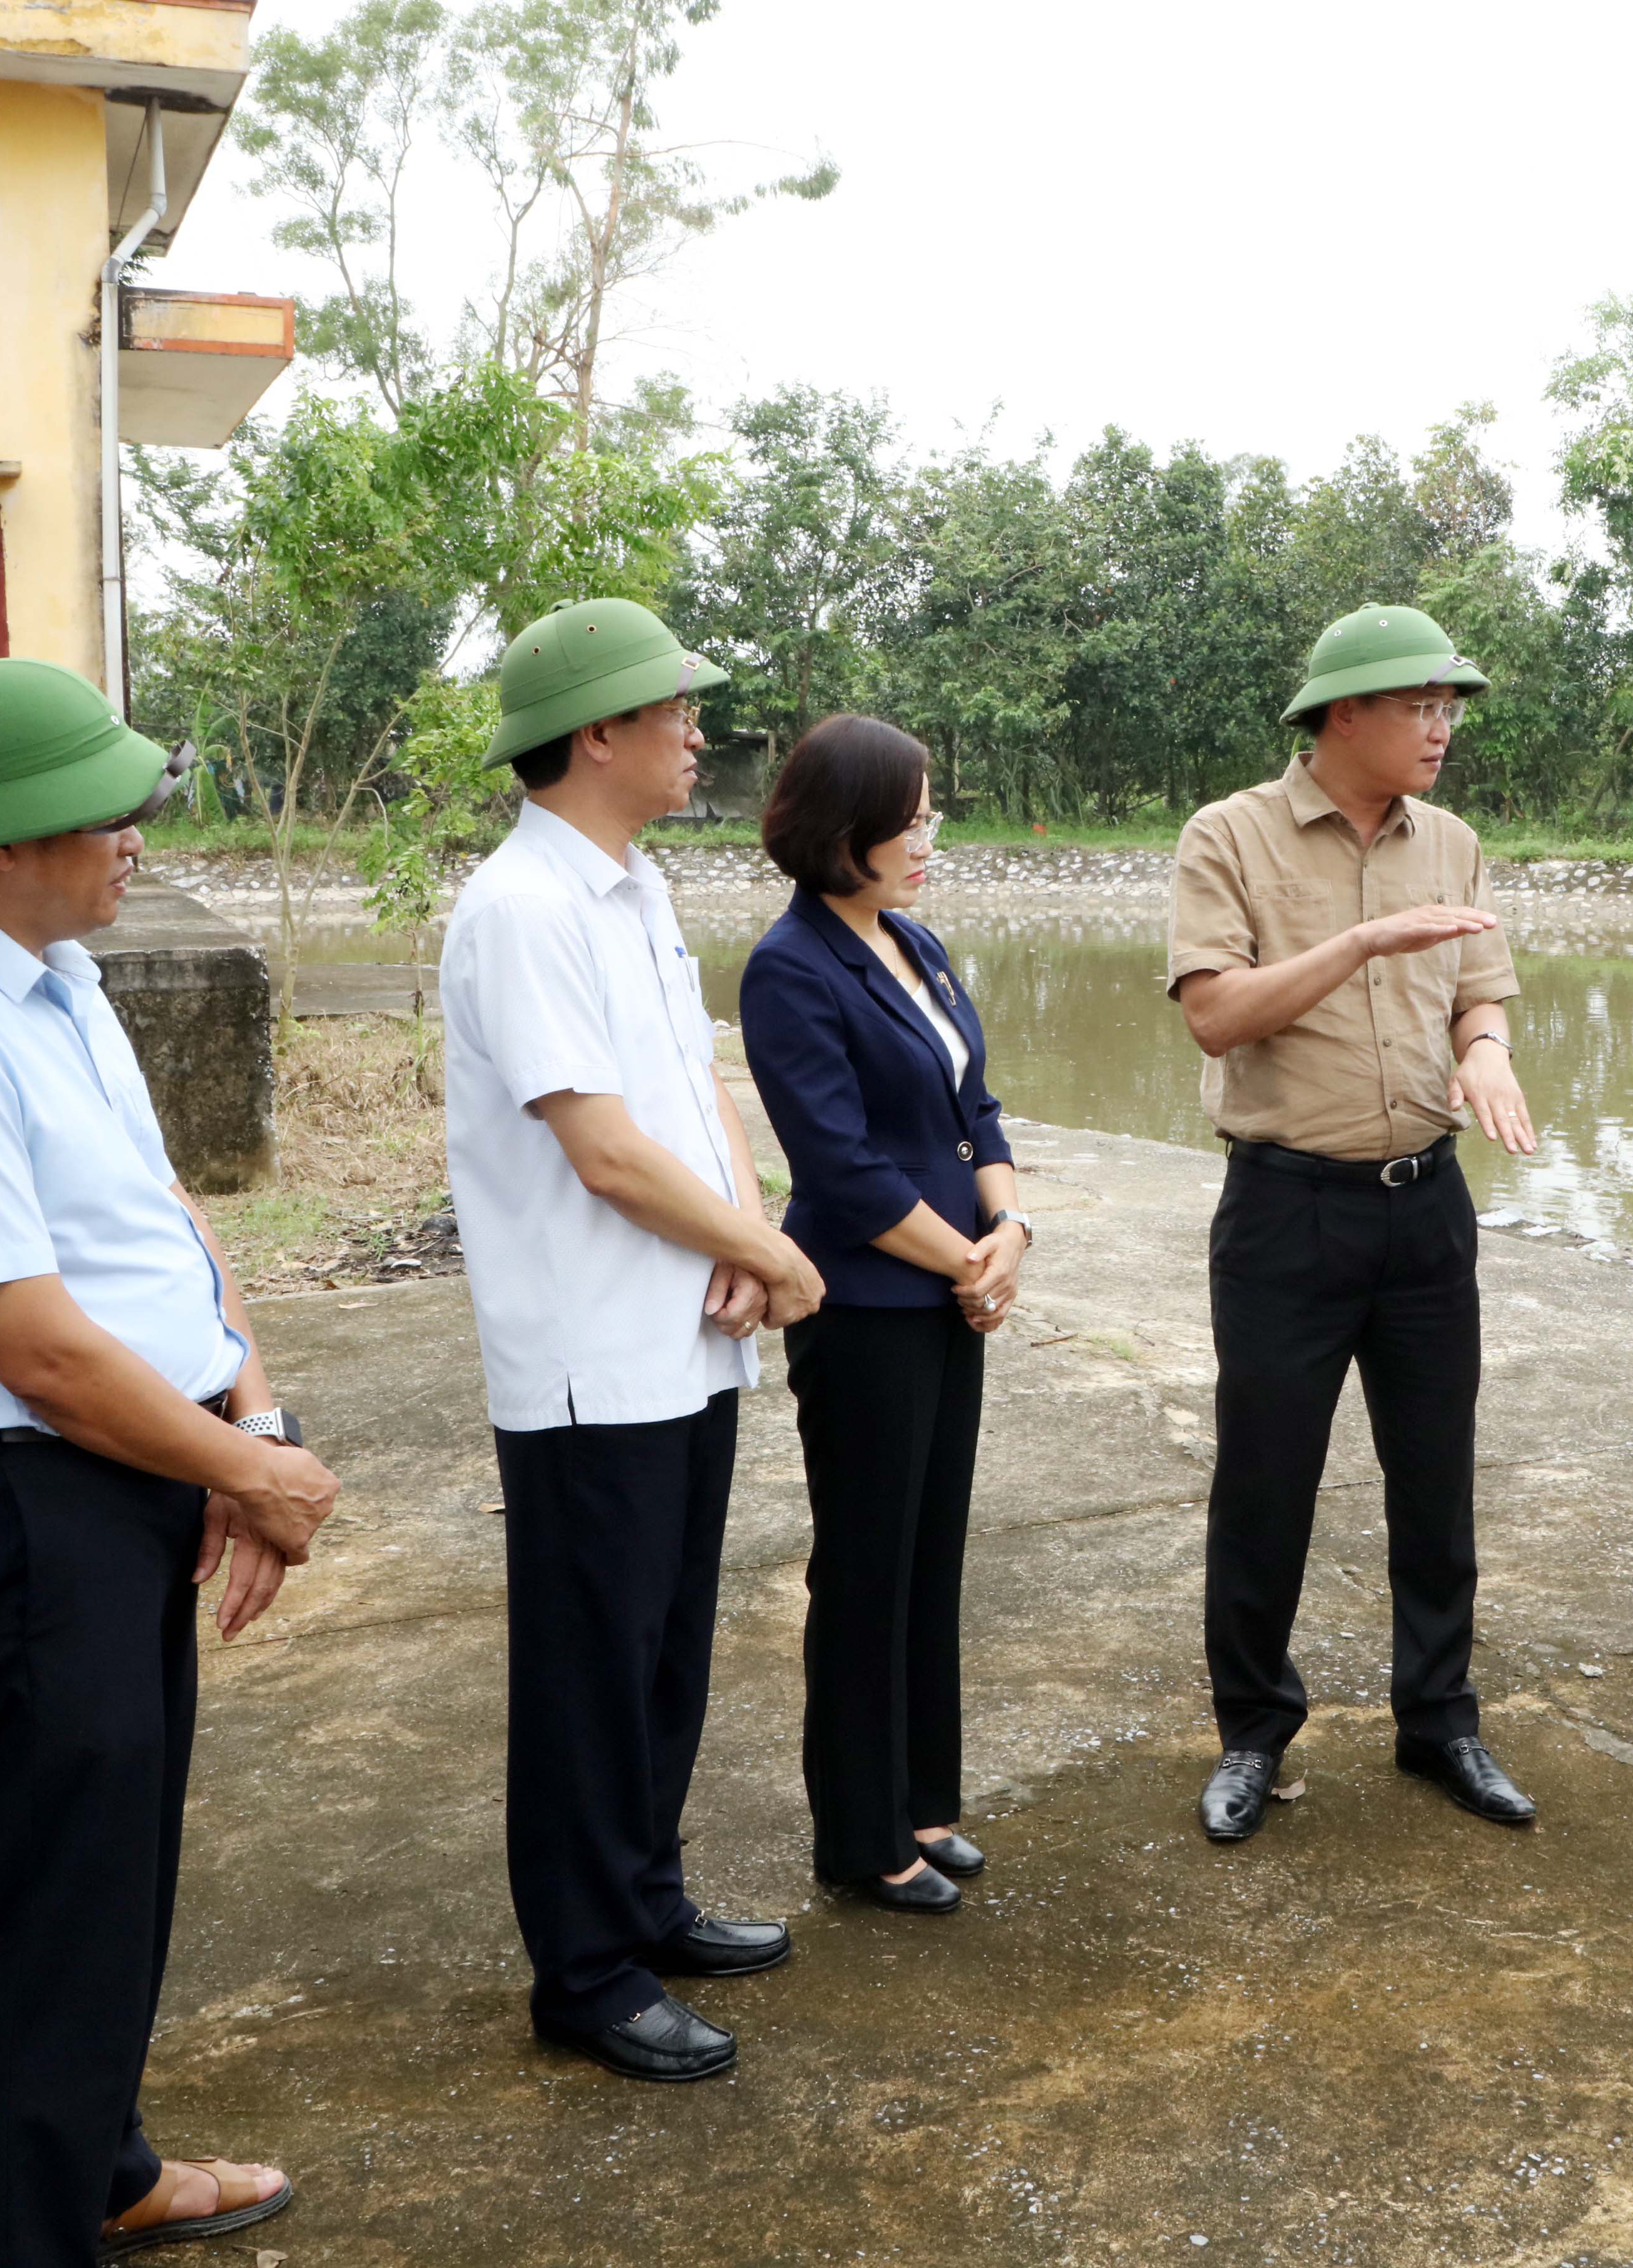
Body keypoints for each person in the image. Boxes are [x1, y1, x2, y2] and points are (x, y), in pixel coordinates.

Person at [0, 654, 338, 2265]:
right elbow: (33, 1346)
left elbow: (155, 1227)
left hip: (129, 1469)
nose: (140, 835)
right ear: (3, 836)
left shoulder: (52, 973)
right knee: (47, 1914)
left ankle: (107, 2166)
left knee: (115, 1879)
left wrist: (252, 1416)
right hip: (25, 1506)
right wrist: (248, 1476)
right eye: (114, 808)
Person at [440, 598, 826, 2083]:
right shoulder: (523, 908)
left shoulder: (632, 887)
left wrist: (742, 1228)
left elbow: (691, 1090)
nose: (697, 732)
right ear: (595, 732)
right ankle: (585, 1971)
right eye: (673, 710)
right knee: (591, 1669)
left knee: (664, 1649)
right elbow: (598, 1150)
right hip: (589, 1355)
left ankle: (647, 1899)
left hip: (682, 1327)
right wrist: (763, 1252)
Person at [1166, 603, 1544, 1844]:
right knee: (1264, 1481)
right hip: (1288, 1209)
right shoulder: (1228, 835)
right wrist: (1367, 937)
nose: (1441, 728)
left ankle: (1439, 1718)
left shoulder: (1454, 841)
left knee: (1434, 1480)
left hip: (1423, 1207)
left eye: (1448, 707)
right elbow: (1217, 1014)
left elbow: (1477, 997)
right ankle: (1252, 1732)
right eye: (1416, 705)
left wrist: (1483, 1058)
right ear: (1340, 715)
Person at [739, 718, 1024, 1915]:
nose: (926, 837)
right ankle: (860, 1837)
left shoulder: (918, 942)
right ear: (838, 829)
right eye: (906, 819)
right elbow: (843, 1170)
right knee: (864, 1567)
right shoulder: (791, 967)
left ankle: (921, 1801)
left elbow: (980, 1105)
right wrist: (968, 1258)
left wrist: (1012, 1232)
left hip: (951, 1297)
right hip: (865, 1308)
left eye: (930, 815)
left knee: (931, 1554)